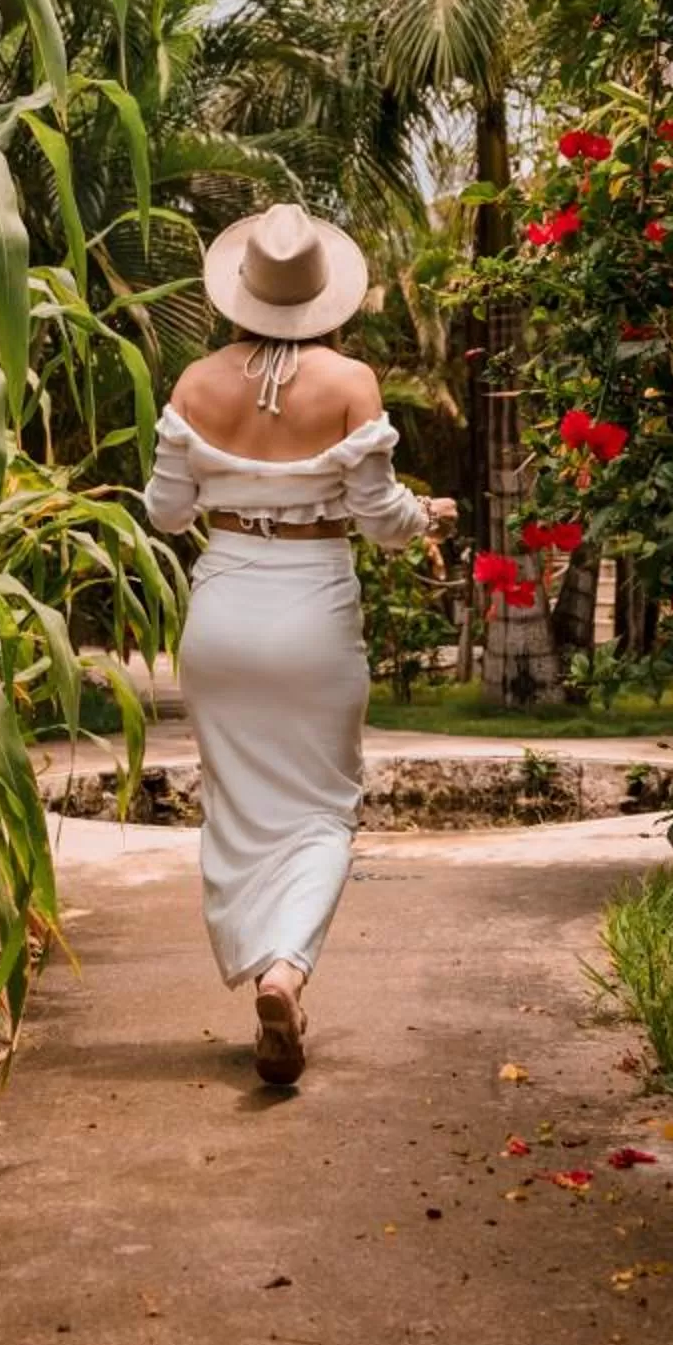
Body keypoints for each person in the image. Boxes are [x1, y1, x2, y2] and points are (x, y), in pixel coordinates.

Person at [142, 202, 457, 1086]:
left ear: (242, 289)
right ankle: (286, 971)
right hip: (315, 606)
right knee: (323, 810)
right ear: (325, 295)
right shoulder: (353, 382)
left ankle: (264, 959)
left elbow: (164, 512)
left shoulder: (194, 384)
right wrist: (427, 513)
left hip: (226, 608)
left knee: (237, 807)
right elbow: (383, 523)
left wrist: (227, 483)